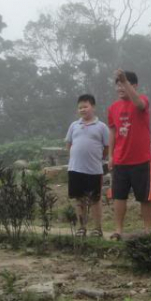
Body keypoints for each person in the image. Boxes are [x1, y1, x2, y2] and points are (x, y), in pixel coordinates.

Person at [107, 70, 151, 240]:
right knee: (118, 196)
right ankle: (118, 230)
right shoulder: (113, 108)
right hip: (120, 160)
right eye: (117, 84)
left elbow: (140, 105)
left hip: (141, 159)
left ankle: (148, 231)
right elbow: (112, 132)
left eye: (124, 84)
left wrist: (125, 81)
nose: (120, 88)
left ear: (134, 85)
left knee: (145, 198)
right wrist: (111, 156)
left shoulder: (142, 101)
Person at [65, 94, 110, 237]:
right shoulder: (74, 125)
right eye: (80, 107)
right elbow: (69, 144)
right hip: (75, 169)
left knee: (95, 200)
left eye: (85, 106)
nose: (82, 110)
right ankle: (81, 227)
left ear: (93, 107)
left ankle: (97, 228)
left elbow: (107, 148)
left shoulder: (102, 127)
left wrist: (99, 158)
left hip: (94, 170)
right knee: (79, 199)